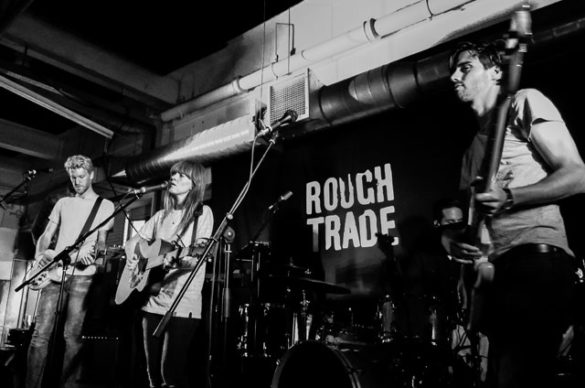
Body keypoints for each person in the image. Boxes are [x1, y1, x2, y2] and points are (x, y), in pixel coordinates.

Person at [445, 41, 585, 388]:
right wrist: (451, 242)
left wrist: (511, 197)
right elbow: (470, 224)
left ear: (496, 71)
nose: (453, 76)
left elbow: (578, 175)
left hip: (536, 261)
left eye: (465, 67)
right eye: (452, 70)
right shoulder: (469, 154)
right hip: (495, 278)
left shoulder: (523, 101)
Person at [26, 155, 115, 388]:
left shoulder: (105, 206)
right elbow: (46, 236)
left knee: (72, 338)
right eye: (73, 177)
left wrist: (94, 254)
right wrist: (39, 262)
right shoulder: (63, 203)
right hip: (54, 274)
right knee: (39, 336)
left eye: (82, 176)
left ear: (92, 175)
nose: (77, 181)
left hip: (83, 277)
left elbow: (102, 243)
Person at [124, 161, 214, 388]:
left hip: (183, 304)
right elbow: (133, 242)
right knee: (152, 374)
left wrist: (176, 259)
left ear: (194, 184)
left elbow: (198, 255)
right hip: (152, 301)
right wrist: (132, 256)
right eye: (174, 173)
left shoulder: (202, 213)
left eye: (182, 176)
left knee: (169, 374)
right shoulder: (160, 216)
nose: (174, 177)